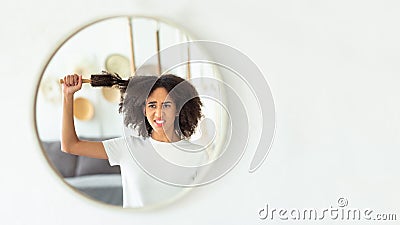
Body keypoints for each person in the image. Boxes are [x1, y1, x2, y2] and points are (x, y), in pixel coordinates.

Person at [61, 73, 207, 208]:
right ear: (144, 110)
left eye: (167, 105)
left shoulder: (197, 155)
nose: (158, 113)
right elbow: (70, 145)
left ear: (178, 109)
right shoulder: (127, 147)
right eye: (152, 105)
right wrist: (68, 96)